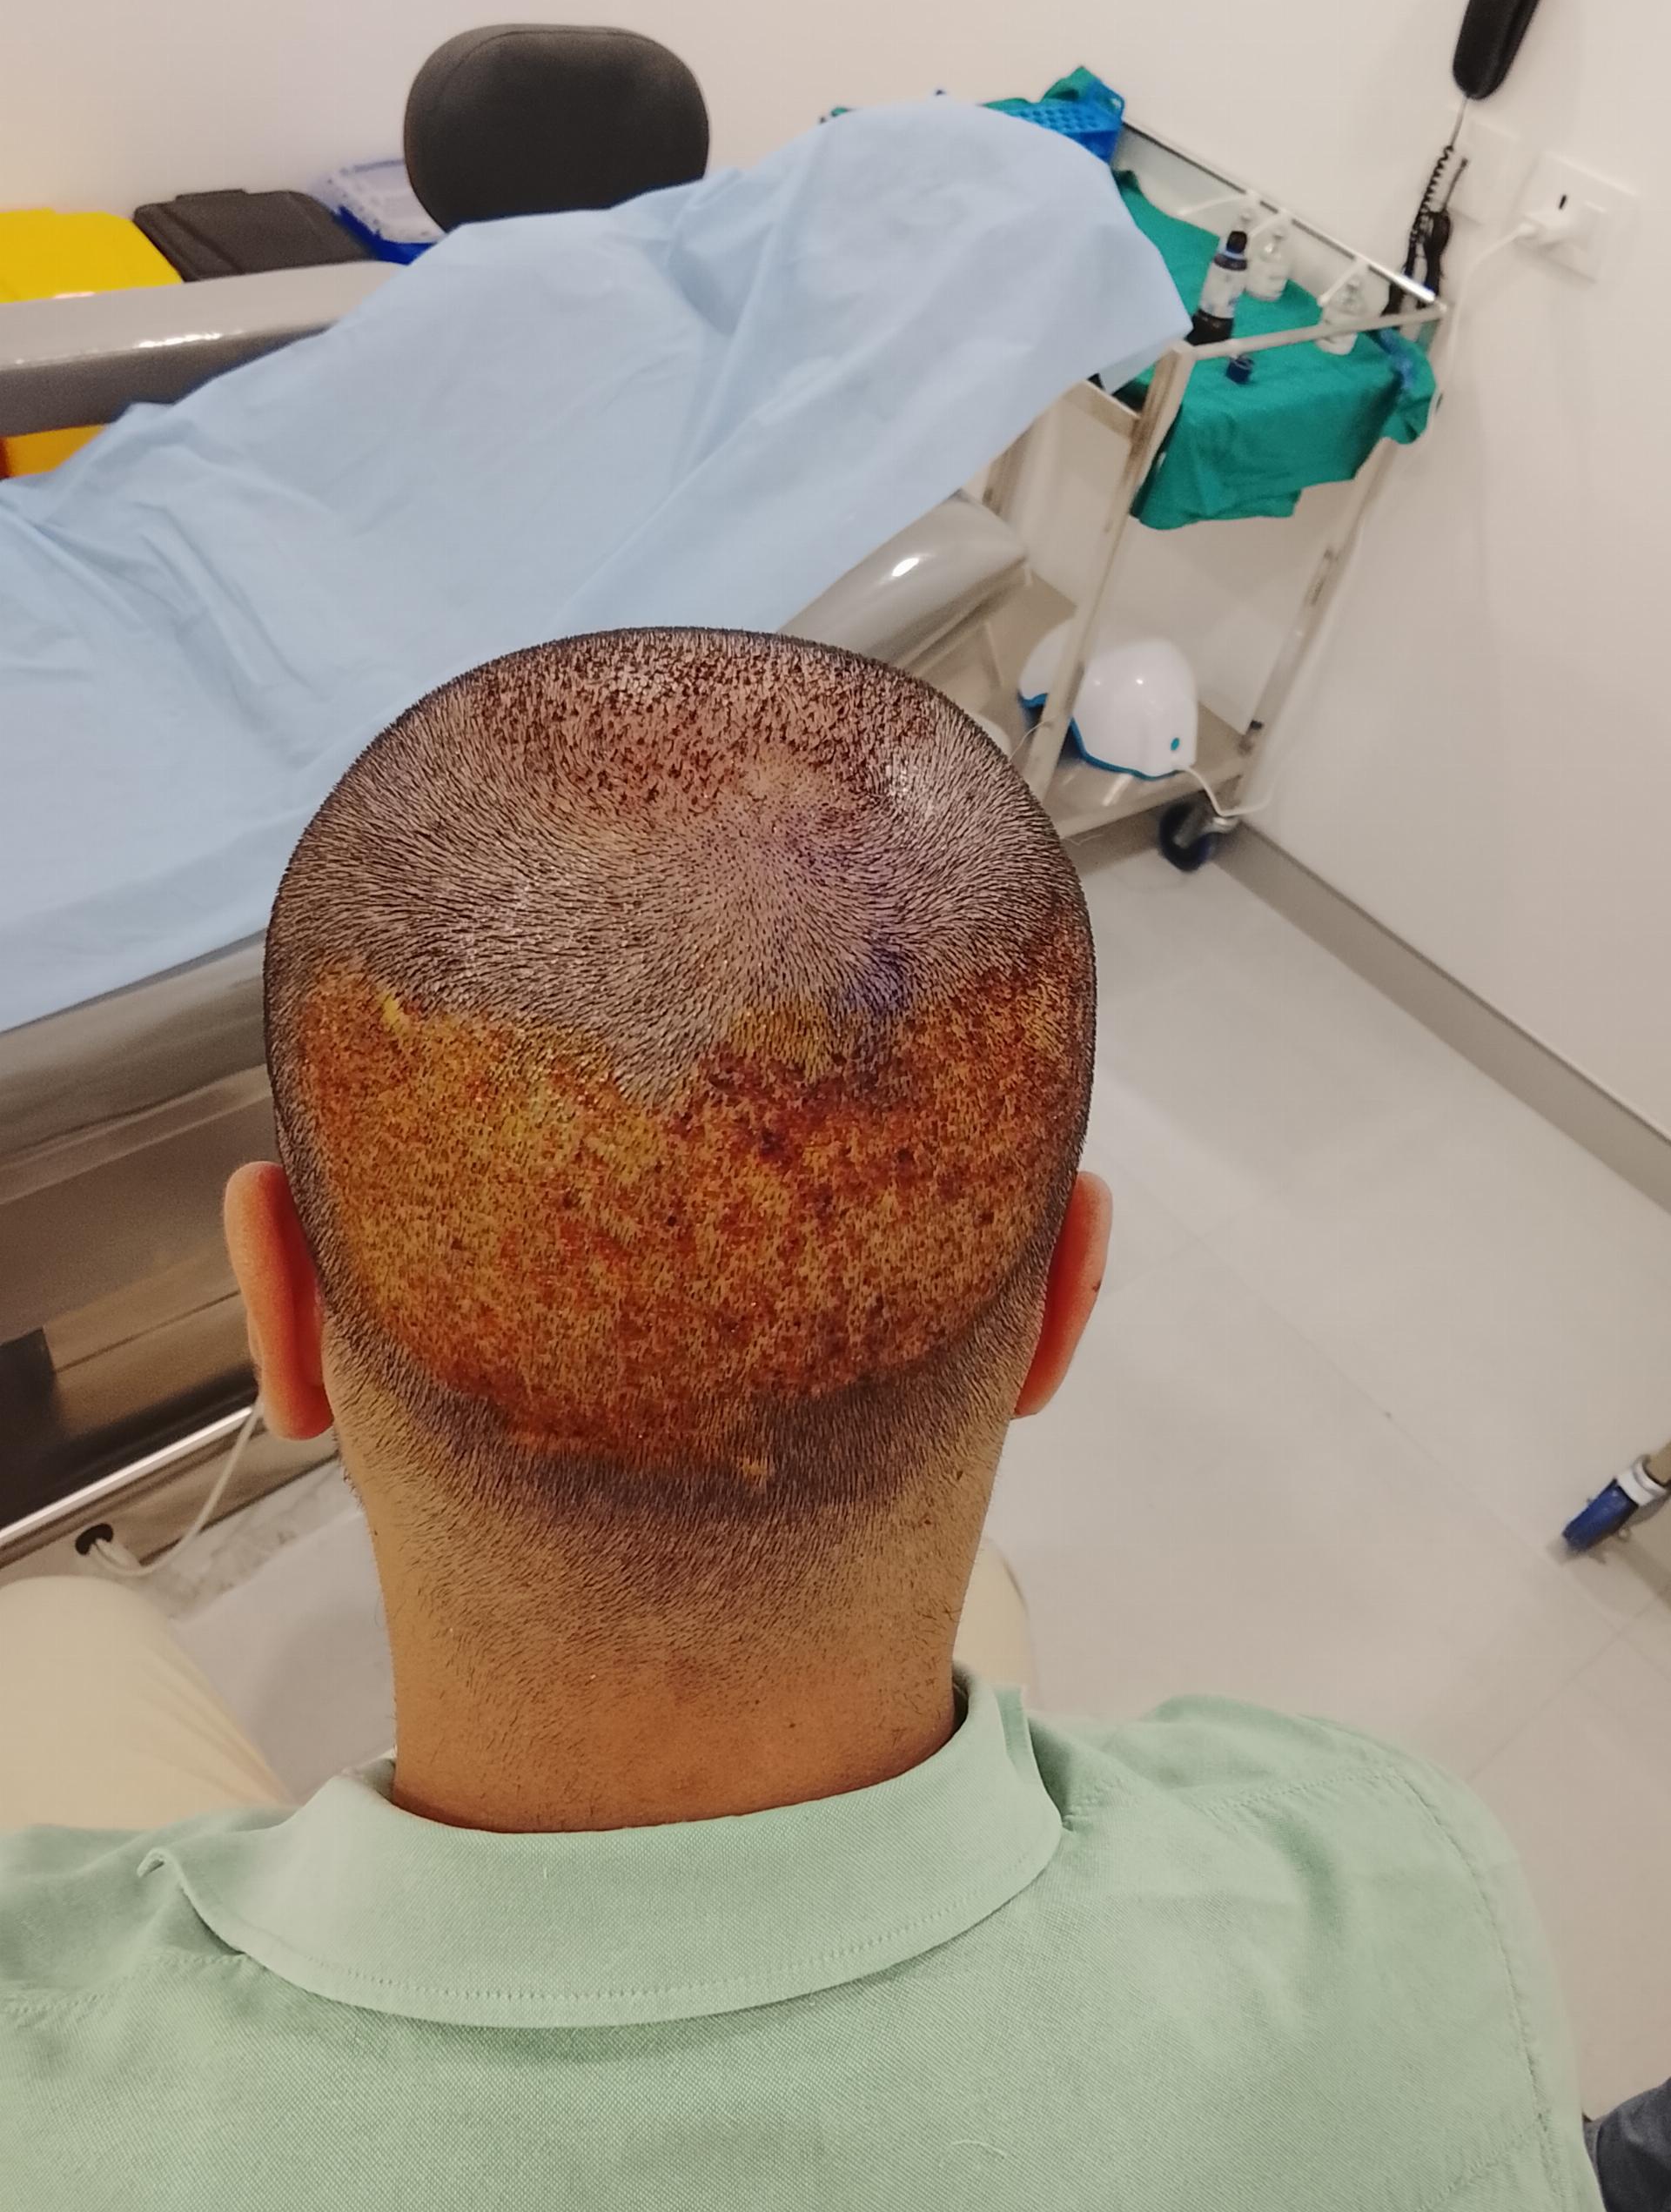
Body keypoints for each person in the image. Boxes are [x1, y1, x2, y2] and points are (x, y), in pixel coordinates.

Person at [0, 632, 1601, 2209]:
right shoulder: (1396, 1891)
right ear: (1060, 1308)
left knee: (55, 1632)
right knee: (988, 1607)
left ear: (278, 1314)